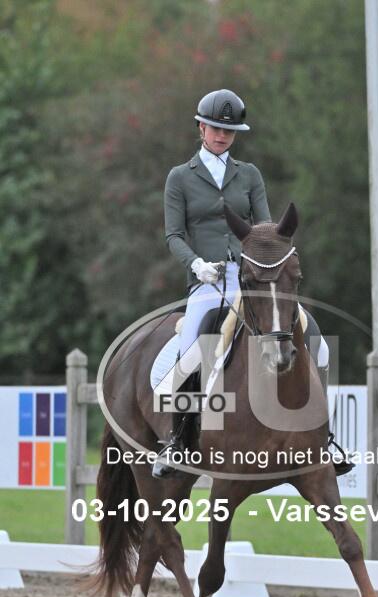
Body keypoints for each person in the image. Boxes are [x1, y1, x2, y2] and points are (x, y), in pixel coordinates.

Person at [152, 89, 271, 478]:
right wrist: (197, 264)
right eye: (215, 128)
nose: (222, 136)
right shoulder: (180, 177)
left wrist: (264, 261)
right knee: (191, 351)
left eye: (228, 131)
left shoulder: (249, 175)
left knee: (303, 329)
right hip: (207, 280)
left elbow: (264, 228)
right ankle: (177, 438)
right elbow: (173, 235)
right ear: (201, 128)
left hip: (249, 277)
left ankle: (324, 437)